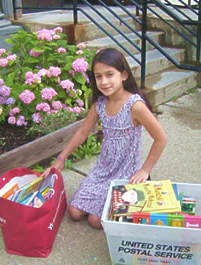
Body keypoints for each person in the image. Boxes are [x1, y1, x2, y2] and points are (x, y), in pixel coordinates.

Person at [41, 48, 168, 229]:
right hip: (104, 169)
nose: (104, 81)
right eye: (98, 76)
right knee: (75, 212)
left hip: (126, 171)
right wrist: (61, 159)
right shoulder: (100, 104)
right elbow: (82, 132)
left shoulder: (135, 105)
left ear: (123, 75)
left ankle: (138, 198)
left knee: (95, 220)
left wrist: (145, 170)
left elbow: (161, 138)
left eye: (109, 75)